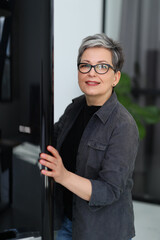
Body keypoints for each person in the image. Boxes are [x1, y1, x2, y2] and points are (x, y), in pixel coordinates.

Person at [39, 33, 139, 240]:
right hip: (64, 220)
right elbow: (50, 142)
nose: (91, 73)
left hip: (101, 231)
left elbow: (109, 190)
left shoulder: (123, 126)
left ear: (116, 77)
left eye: (102, 66)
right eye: (85, 65)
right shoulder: (74, 109)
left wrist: (63, 176)